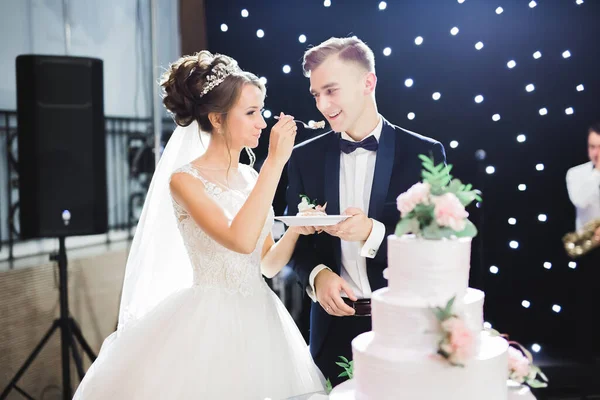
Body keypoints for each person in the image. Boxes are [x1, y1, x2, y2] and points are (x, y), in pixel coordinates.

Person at [73, 51, 325, 399]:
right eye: (251, 113)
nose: (262, 123)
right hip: (210, 324)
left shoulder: (252, 177)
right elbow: (238, 239)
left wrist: (296, 229)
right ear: (217, 119)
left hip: (262, 320)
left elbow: (266, 263)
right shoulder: (185, 181)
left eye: (261, 112)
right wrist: (276, 162)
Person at [286, 36, 446, 386]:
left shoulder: (425, 154)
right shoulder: (303, 158)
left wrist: (373, 232)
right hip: (332, 333)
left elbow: (439, 246)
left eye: (331, 90)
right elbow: (293, 241)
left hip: (406, 328)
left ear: (368, 82)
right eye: (316, 95)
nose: (323, 105)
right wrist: (317, 276)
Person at [566, 123, 600, 238]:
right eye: (592, 147)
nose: (596, 153)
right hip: (589, 243)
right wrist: (597, 172)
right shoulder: (575, 173)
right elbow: (581, 201)